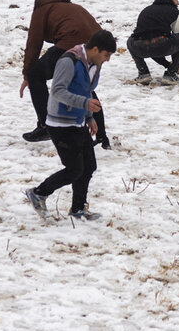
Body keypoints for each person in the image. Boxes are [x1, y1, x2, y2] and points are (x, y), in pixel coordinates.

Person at [25, 30, 117, 220]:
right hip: (59, 123)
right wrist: (84, 105)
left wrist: (89, 117)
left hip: (77, 122)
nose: (107, 60)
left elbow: (88, 91)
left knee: (89, 166)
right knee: (75, 169)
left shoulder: (95, 64)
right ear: (95, 49)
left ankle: (78, 209)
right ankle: (39, 193)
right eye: (106, 55)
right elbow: (57, 91)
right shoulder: (69, 61)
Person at [18, 0, 109, 147]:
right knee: (85, 87)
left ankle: (45, 126)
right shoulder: (69, 7)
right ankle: (101, 137)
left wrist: (27, 74)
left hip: (71, 42)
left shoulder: (42, 9)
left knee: (35, 75)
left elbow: (34, 42)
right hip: (98, 47)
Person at [126, 0, 179, 83]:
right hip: (161, 45)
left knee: (132, 40)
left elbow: (149, 44)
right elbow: (178, 37)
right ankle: (170, 74)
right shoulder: (174, 12)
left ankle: (143, 73)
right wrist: (176, 65)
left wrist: (165, 64)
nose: (178, 3)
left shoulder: (145, 11)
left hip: (139, 47)